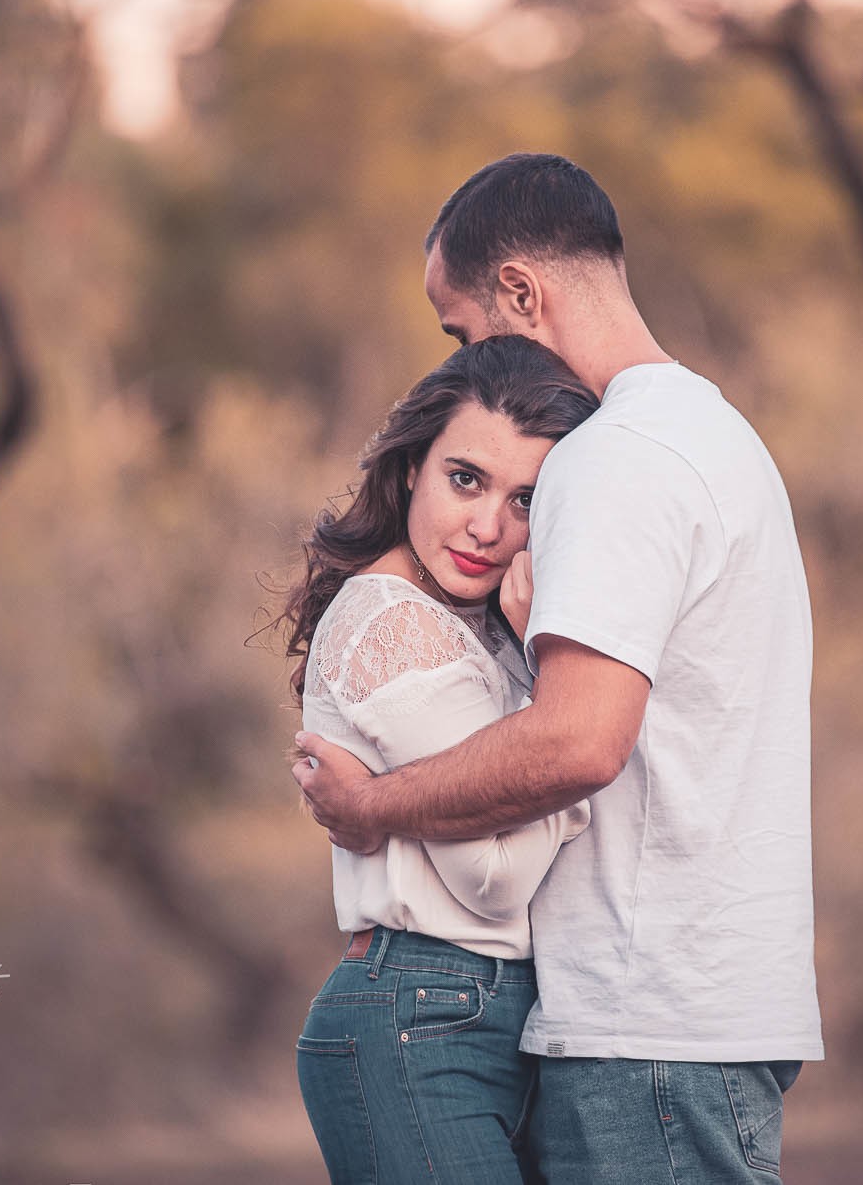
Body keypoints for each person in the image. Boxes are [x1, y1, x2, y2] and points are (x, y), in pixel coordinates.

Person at [293, 152, 823, 1182]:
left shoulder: (612, 458)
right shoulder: (717, 436)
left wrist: (375, 811)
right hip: (702, 1004)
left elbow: (578, 743)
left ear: (522, 294)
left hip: (646, 1020)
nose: (466, 365)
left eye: (463, 332)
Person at [279, 334, 601, 1183]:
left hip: (472, 1016)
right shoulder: (394, 623)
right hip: (417, 1016)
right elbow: (490, 877)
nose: (489, 526)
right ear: (412, 466)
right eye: (467, 478)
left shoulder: (475, 622)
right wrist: (572, 752)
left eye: (527, 499)